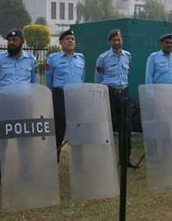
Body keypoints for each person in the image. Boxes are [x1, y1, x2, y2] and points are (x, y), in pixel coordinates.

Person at [0, 28, 39, 189]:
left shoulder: (31, 60)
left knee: (25, 139)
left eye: (14, 40)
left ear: (22, 42)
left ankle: (26, 172)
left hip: (24, 104)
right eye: (9, 40)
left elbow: (34, 82)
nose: (11, 42)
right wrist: (7, 94)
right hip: (4, 103)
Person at [94, 29, 136, 168]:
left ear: (121, 40)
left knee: (127, 127)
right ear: (110, 42)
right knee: (106, 127)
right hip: (109, 94)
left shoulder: (127, 56)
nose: (117, 42)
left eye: (119, 40)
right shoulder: (103, 58)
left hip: (124, 93)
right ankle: (103, 159)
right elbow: (98, 79)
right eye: (114, 40)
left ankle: (125, 159)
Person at [44, 29, 85, 161]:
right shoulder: (53, 58)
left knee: (78, 128)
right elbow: (48, 80)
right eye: (67, 38)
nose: (70, 41)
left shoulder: (81, 58)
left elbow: (82, 77)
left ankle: (79, 160)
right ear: (61, 42)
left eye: (72, 39)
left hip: (76, 96)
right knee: (58, 129)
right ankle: (53, 159)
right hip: (59, 95)